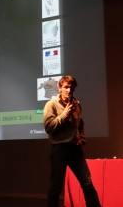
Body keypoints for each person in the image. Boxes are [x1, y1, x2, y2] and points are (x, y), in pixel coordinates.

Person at [43, 75, 101, 207]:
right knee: (56, 187)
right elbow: (48, 127)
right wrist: (64, 115)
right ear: (60, 88)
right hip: (59, 149)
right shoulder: (51, 104)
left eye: (71, 88)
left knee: (87, 184)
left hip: (75, 149)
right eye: (66, 87)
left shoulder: (76, 104)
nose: (69, 90)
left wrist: (82, 138)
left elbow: (80, 123)